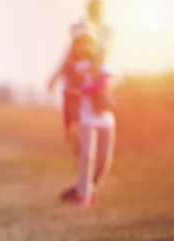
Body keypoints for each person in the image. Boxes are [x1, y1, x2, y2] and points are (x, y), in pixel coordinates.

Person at [61, 24, 117, 207]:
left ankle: (87, 187)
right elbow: (67, 98)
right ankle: (84, 197)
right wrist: (69, 123)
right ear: (74, 45)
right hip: (85, 117)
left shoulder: (102, 63)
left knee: (104, 159)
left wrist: (83, 90)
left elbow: (103, 82)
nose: (84, 46)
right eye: (80, 42)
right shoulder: (70, 68)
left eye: (88, 42)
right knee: (87, 156)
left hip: (104, 116)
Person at [48, 0, 113, 155]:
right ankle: (79, 153)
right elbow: (68, 55)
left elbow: (106, 53)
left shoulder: (105, 31)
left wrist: (95, 68)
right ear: (88, 9)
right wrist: (55, 77)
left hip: (95, 80)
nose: (94, 11)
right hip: (77, 76)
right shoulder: (81, 28)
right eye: (92, 8)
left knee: (97, 118)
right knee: (74, 116)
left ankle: (90, 164)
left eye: (97, 8)